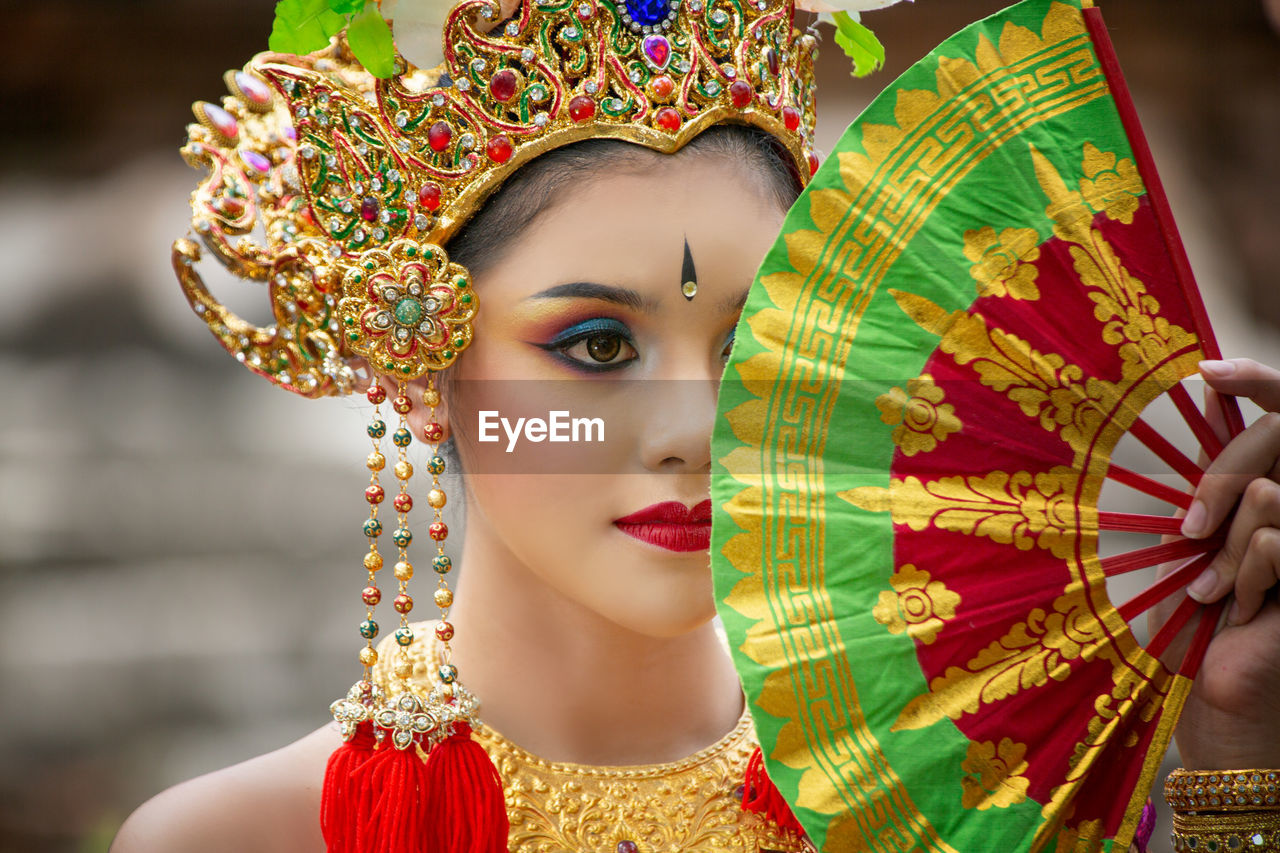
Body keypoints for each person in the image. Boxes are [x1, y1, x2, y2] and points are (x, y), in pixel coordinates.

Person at [111, 0, 1280, 850]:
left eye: (748, 344)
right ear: (417, 360)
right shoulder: (239, 838)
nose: (696, 431)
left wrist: (1236, 766)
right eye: (596, 347)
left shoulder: (951, 791)